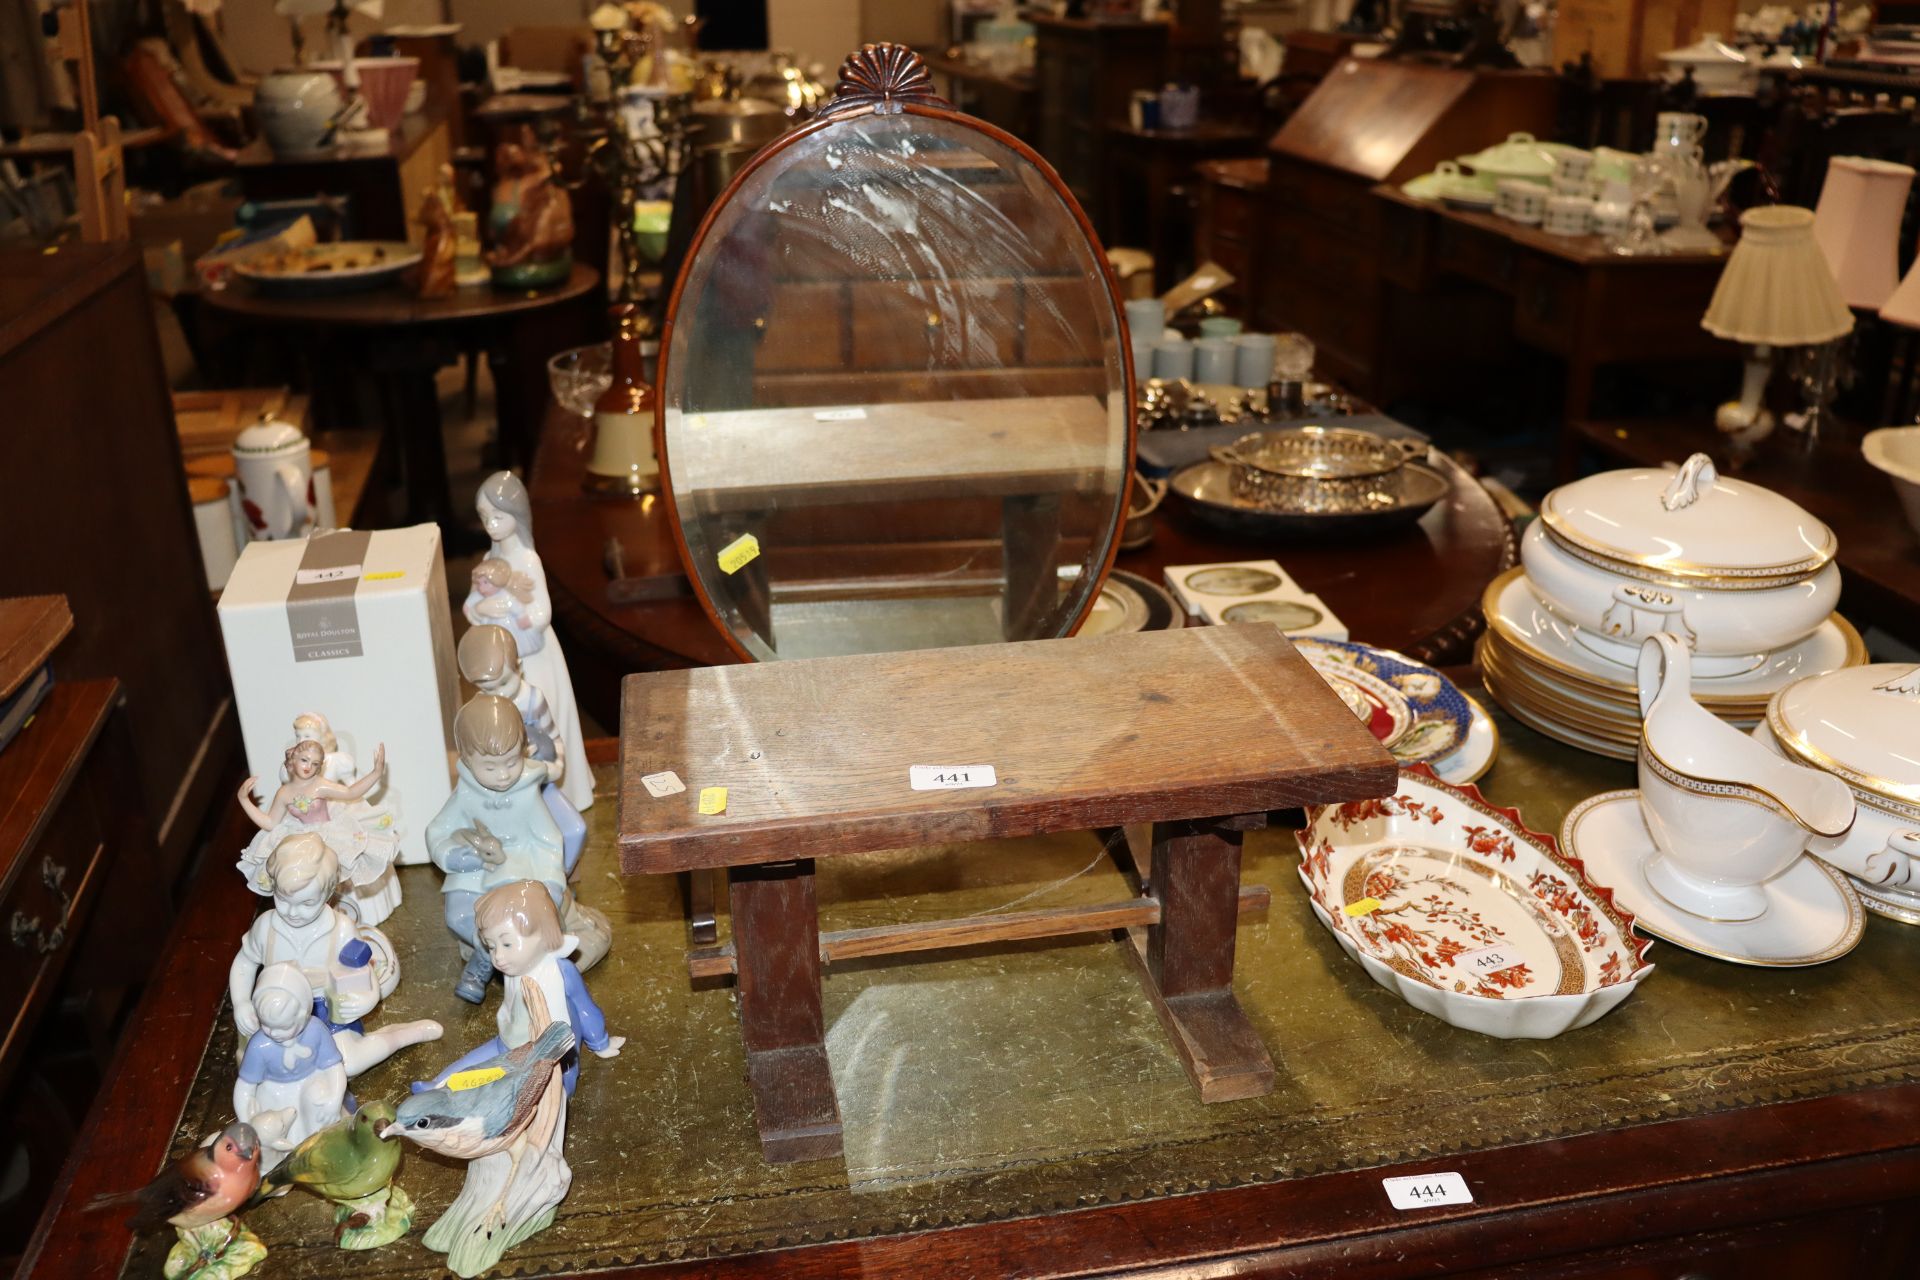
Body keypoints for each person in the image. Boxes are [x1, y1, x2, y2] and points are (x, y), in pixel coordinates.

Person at [429, 696, 602, 1003]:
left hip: (524, 870)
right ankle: (488, 950)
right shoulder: (465, 793)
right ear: (467, 761)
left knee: (527, 922)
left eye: (511, 762)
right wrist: (464, 858)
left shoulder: (527, 790)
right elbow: (438, 832)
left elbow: (549, 839)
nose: (504, 775)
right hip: (478, 871)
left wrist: (549, 884)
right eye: (490, 767)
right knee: (459, 915)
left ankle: (484, 967)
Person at [229, 834, 442, 1078]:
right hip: (276, 1011)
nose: (293, 912)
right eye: (283, 899)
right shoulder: (266, 927)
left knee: (345, 1066)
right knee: (256, 1066)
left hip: (325, 1007)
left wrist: (369, 998)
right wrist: (242, 1003)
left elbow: (363, 970)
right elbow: (244, 963)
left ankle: (402, 1035)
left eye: (307, 903)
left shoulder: (340, 929)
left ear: (330, 892)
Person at [464, 471, 592, 813]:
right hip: (499, 662)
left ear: (517, 516)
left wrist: (509, 605)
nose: (491, 524)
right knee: (505, 729)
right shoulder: (489, 562)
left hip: (531, 658)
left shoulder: (528, 560)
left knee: (541, 720)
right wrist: (482, 607)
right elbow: (469, 609)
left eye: (499, 516)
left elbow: (542, 613)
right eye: (485, 517)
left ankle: (559, 794)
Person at [419, 880, 621, 1097]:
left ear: (545, 935)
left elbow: (584, 1007)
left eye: (507, 944)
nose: (498, 956)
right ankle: (439, 1086)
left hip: (550, 1063)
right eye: (491, 946)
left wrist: (600, 1042)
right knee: (472, 1066)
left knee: (514, 1097)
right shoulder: (516, 966)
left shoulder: (560, 972)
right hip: (509, 1044)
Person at [455, 625, 586, 868]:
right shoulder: (476, 713)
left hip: (538, 785)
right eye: (487, 688)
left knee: (573, 830)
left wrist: (553, 766)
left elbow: (554, 739)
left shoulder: (533, 700)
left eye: (504, 683)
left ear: (519, 667)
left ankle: (557, 881)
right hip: (500, 794)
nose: (498, 695)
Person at [237, 740, 401, 925]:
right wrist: (244, 799)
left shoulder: (319, 785)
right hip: (301, 837)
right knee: (305, 878)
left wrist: (376, 772)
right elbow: (270, 822)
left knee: (334, 876)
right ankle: (313, 915)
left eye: (315, 764)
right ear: (294, 759)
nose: (309, 767)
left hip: (328, 834)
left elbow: (350, 793)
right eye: (305, 760)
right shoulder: (284, 793)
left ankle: (340, 913)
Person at [233, 964, 348, 1172]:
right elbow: (245, 1087)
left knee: (318, 1099)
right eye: (267, 1025)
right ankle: (286, 1163)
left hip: (312, 1080)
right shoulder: (260, 1046)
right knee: (272, 1127)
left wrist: (335, 1099)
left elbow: (334, 1067)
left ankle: (323, 1149)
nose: (275, 1033)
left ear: (304, 1014)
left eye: (284, 1027)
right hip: (275, 1092)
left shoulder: (316, 1030)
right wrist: (247, 1122)